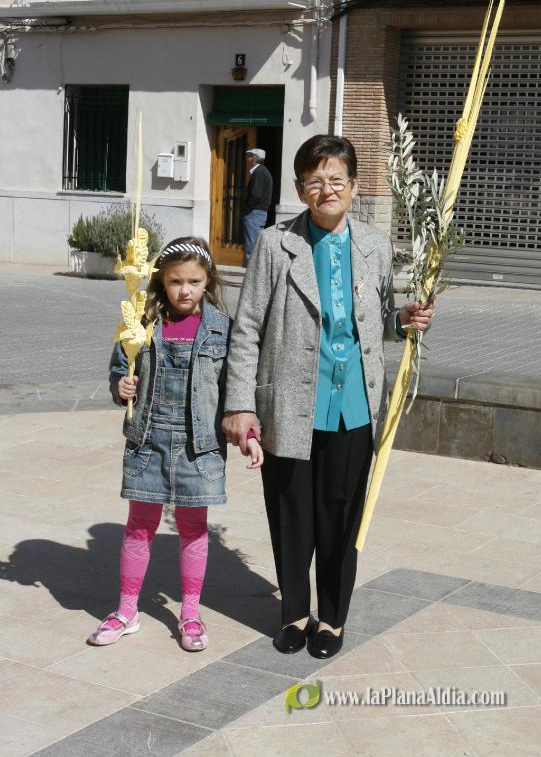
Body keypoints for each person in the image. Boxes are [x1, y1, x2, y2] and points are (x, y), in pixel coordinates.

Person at [222, 135, 433, 660]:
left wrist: (403, 320)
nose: (327, 190)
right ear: (300, 189)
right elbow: (246, 328)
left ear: (354, 186)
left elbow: (377, 320)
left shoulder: (374, 245)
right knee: (291, 513)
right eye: (315, 181)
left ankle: (332, 618)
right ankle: (295, 613)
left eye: (337, 179)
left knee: (341, 518)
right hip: (289, 405)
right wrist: (240, 405)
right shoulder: (276, 244)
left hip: (353, 406)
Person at [87, 236, 263, 651]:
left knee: (193, 529)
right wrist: (121, 386)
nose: (185, 290)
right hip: (148, 441)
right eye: (175, 282)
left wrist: (249, 433)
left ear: (208, 282)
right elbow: (120, 366)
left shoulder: (222, 329)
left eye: (194, 282)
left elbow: (237, 389)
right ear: (161, 282)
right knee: (139, 526)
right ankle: (126, 610)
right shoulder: (141, 324)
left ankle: (190, 613)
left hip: (199, 447)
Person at [243, 147, 273, 262]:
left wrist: (247, 209)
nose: (246, 159)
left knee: (252, 247)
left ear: (254, 159)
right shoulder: (263, 171)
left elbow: (256, 195)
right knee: (256, 245)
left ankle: (252, 271)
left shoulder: (259, 172)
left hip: (255, 213)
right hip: (258, 213)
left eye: (248, 156)